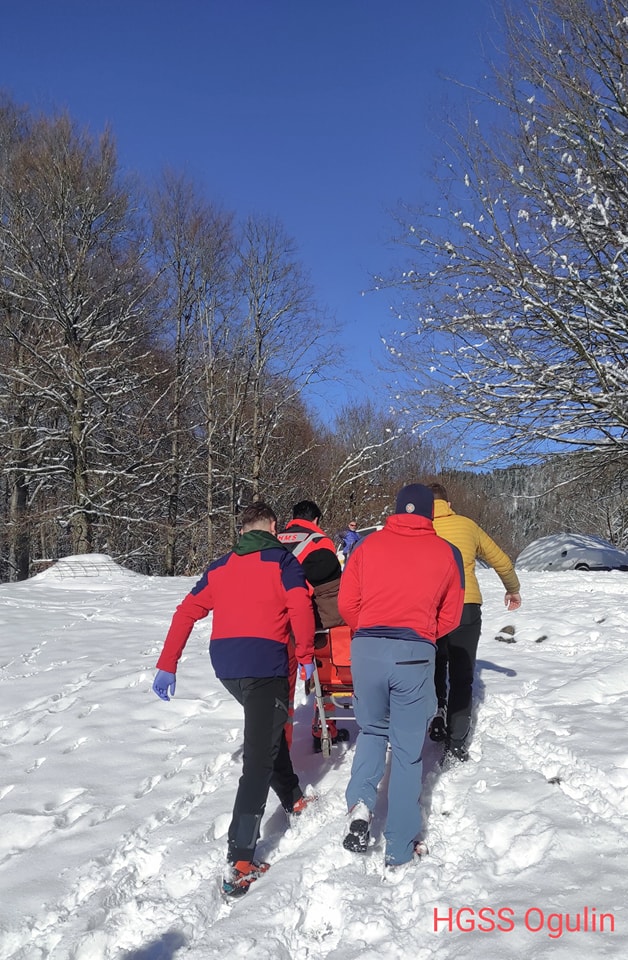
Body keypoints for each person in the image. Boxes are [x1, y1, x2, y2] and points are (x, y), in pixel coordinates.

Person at [151, 502, 316, 897]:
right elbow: (300, 607)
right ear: (274, 527)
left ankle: (292, 797)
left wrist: (167, 663)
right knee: (258, 758)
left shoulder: (220, 566)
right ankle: (241, 859)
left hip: (227, 668)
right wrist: (307, 656)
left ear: (243, 531)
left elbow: (187, 611)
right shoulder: (283, 562)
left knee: (268, 730)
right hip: (265, 667)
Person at [338, 484, 465, 869]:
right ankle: (398, 845)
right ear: (430, 514)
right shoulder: (447, 552)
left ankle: (361, 805)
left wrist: (371, 633)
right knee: (408, 752)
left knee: (373, 731)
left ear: (396, 511)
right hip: (414, 652)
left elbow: (347, 603)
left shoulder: (367, 547)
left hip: (367, 650)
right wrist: (422, 634)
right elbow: (452, 615)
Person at [428, 482, 522, 764]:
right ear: (448, 503)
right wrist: (512, 589)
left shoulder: (418, 528)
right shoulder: (467, 526)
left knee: (434, 663)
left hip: (429, 608)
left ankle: (437, 712)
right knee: (462, 675)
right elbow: (502, 561)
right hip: (466, 606)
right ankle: (456, 742)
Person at [278, 499, 346, 747]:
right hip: (307, 621)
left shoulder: (274, 538)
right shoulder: (320, 541)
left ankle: (280, 744)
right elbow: (329, 589)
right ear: (316, 520)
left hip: (276, 620)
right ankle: (324, 726)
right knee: (324, 667)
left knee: (281, 687)